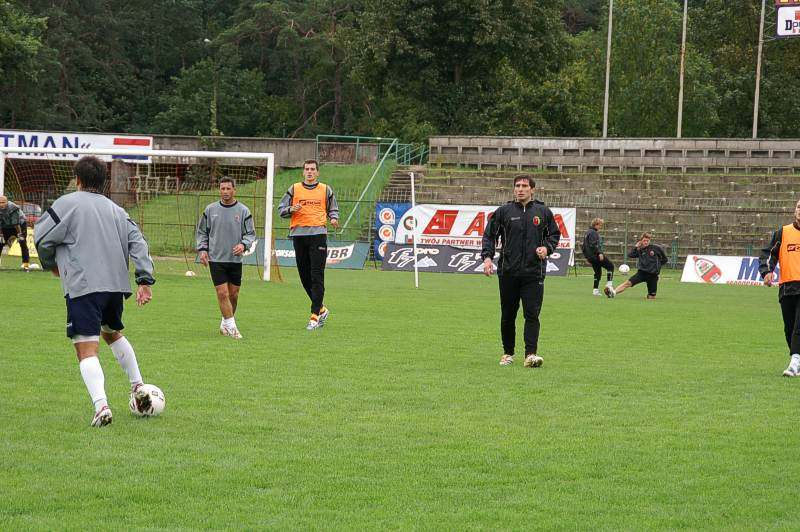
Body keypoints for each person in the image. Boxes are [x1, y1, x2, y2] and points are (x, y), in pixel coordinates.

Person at [34, 156, 156, 427]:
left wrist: (51, 264)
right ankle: (138, 386)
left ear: (77, 180)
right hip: (115, 287)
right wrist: (144, 280)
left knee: (86, 347)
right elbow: (138, 242)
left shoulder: (66, 204)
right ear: (104, 182)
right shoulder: (117, 210)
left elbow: (42, 238)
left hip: (84, 286)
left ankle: (101, 406)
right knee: (111, 332)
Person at [481, 175, 561, 368]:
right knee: (508, 315)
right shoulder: (504, 211)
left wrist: (547, 248)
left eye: (525, 186)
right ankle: (508, 353)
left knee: (532, 314)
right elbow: (489, 236)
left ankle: (530, 355)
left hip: (533, 272)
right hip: (508, 271)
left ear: (532, 189)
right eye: (517, 186)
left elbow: (554, 234)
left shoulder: (543, 212)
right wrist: (487, 257)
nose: (520, 189)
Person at [278, 159, 340, 330]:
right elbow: (281, 209)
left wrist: (334, 218)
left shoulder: (325, 189)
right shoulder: (294, 189)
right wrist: (291, 209)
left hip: (318, 235)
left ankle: (314, 317)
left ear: (317, 172)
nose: (310, 172)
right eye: (307, 169)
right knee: (304, 277)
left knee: (317, 275)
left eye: (313, 169)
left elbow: (333, 208)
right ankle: (322, 309)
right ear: (303, 172)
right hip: (299, 235)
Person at [196, 177, 256, 340]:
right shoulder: (210, 210)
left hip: (235, 260)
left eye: (228, 188)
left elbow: (250, 234)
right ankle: (233, 328)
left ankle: (225, 323)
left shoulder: (243, 211)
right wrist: (202, 249)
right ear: (219, 190)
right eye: (222, 189)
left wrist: (243, 245)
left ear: (234, 190)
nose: (225, 192)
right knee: (222, 293)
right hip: (216, 259)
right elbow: (202, 232)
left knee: (233, 295)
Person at [759, 199, 800, 377]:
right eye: (799, 207)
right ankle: (797, 359)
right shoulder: (783, 233)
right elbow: (768, 254)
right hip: (787, 287)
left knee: (799, 326)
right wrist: (767, 271)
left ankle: (794, 362)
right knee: (789, 328)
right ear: (795, 210)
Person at [605, 232, 667, 299]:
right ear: (641, 241)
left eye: (647, 241)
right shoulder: (639, 250)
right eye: (644, 241)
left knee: (651, 297)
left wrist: (657, 268)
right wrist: (636, 247)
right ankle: (613, 293)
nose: (646, 242)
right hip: (642, 273)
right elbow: (630, 255)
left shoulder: (656, 248)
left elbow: (665, 259)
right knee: (628, 283)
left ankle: (650, 296)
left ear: (650, 240)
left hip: (653, 275)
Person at [582, 217, 613, 296]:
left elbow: (583, 247)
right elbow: (594, 245)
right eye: (600, 225)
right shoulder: (593, 233)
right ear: (596, 224)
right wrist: (600, 253)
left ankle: (595, 290)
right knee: (610, 266)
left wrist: (587, 257)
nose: (600, 227)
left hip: (591, 257)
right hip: (596, 256)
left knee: (597, 273)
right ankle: (609, 284)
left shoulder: (587, 232)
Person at [0, 195, 31, 271]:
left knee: (22, 242)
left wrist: (20, 235)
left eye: (3, 202)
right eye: (0, 203)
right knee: (0, 242)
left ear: (7, 202)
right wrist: (1, 235)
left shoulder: (13, 208)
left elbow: (16, 223)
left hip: (20, 225)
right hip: (6, 225)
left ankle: (26, 264)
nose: (1, 204)